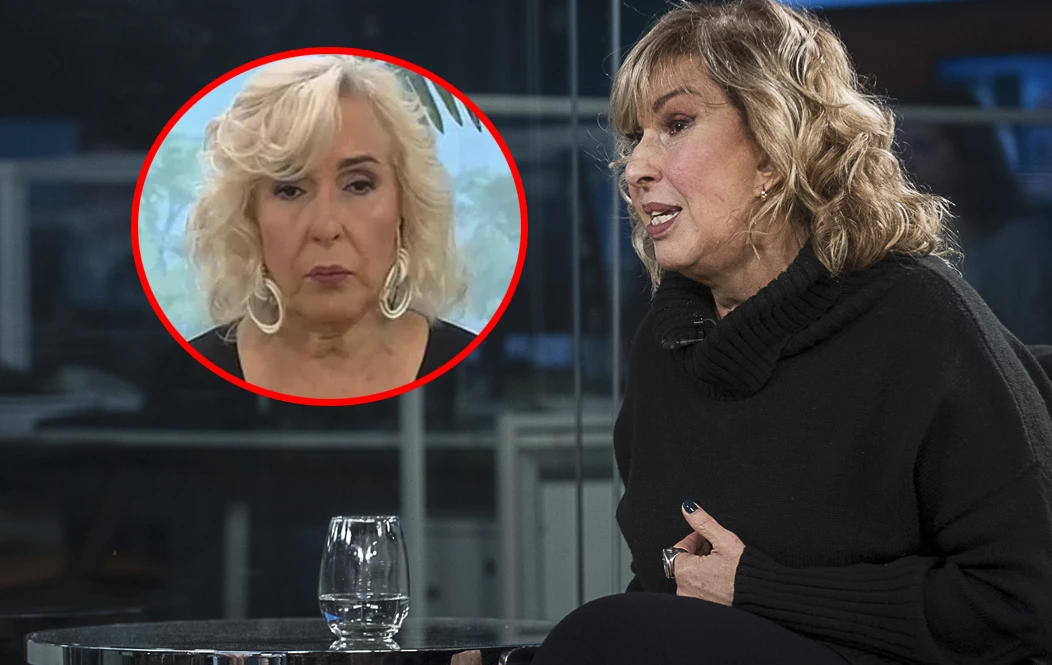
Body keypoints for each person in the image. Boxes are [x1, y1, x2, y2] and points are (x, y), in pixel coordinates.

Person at [532, 1, 1052, 664]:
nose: (635, 168)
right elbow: (673, 601)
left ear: (775, 148)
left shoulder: (920, 319)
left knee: (604, 636)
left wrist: (760, 589)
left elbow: (1023, 603)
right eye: (635, 138)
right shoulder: (664, 349)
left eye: (676, 124)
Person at [185, 55, 474, 399]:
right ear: (248, 216)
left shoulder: (470, 372)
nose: (325, 227)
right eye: (290, 189)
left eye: (359, 185)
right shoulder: (187, 378)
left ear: (405, 205)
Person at [899, 86, 1052, 346]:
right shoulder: (907, 232)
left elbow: (1027, 347)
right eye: (897, 146)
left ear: (965, 152)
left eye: (922, 146)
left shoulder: (1015, 242)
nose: (905, 160)